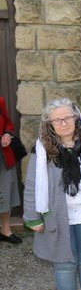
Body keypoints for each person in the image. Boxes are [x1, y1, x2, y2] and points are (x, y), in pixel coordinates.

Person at [22, 98, 81, 290]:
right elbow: (32, 186)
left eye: (68, 117)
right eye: (58, 119)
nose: (64, 122)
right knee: (64, 264)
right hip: (58, 218)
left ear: (76, 119)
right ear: (50, 124)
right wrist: (33, 218)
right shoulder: (43, 151)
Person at [0, 96, 22, 244]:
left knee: (5, 191)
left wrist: (8, 134)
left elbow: (8, 124)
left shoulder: (0, 101)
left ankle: (5, 231)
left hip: (3, 155)